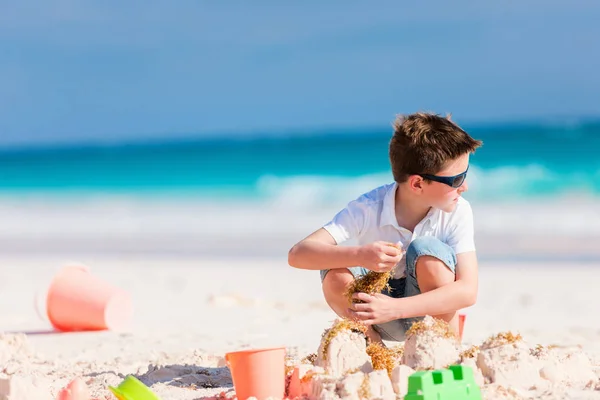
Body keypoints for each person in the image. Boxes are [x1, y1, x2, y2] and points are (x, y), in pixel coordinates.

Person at [287, 112, 483, 343]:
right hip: (375, 315)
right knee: (334, 270)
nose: (465, 187)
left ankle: (442, 350)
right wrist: (360, 255)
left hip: (427, 312)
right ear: (418, 183)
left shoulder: (458, 210)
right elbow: (297, 254)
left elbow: (468, 291)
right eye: (457, 180)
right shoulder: (369, 207)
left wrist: (396, 308)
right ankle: (372, 348)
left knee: (428, 250)